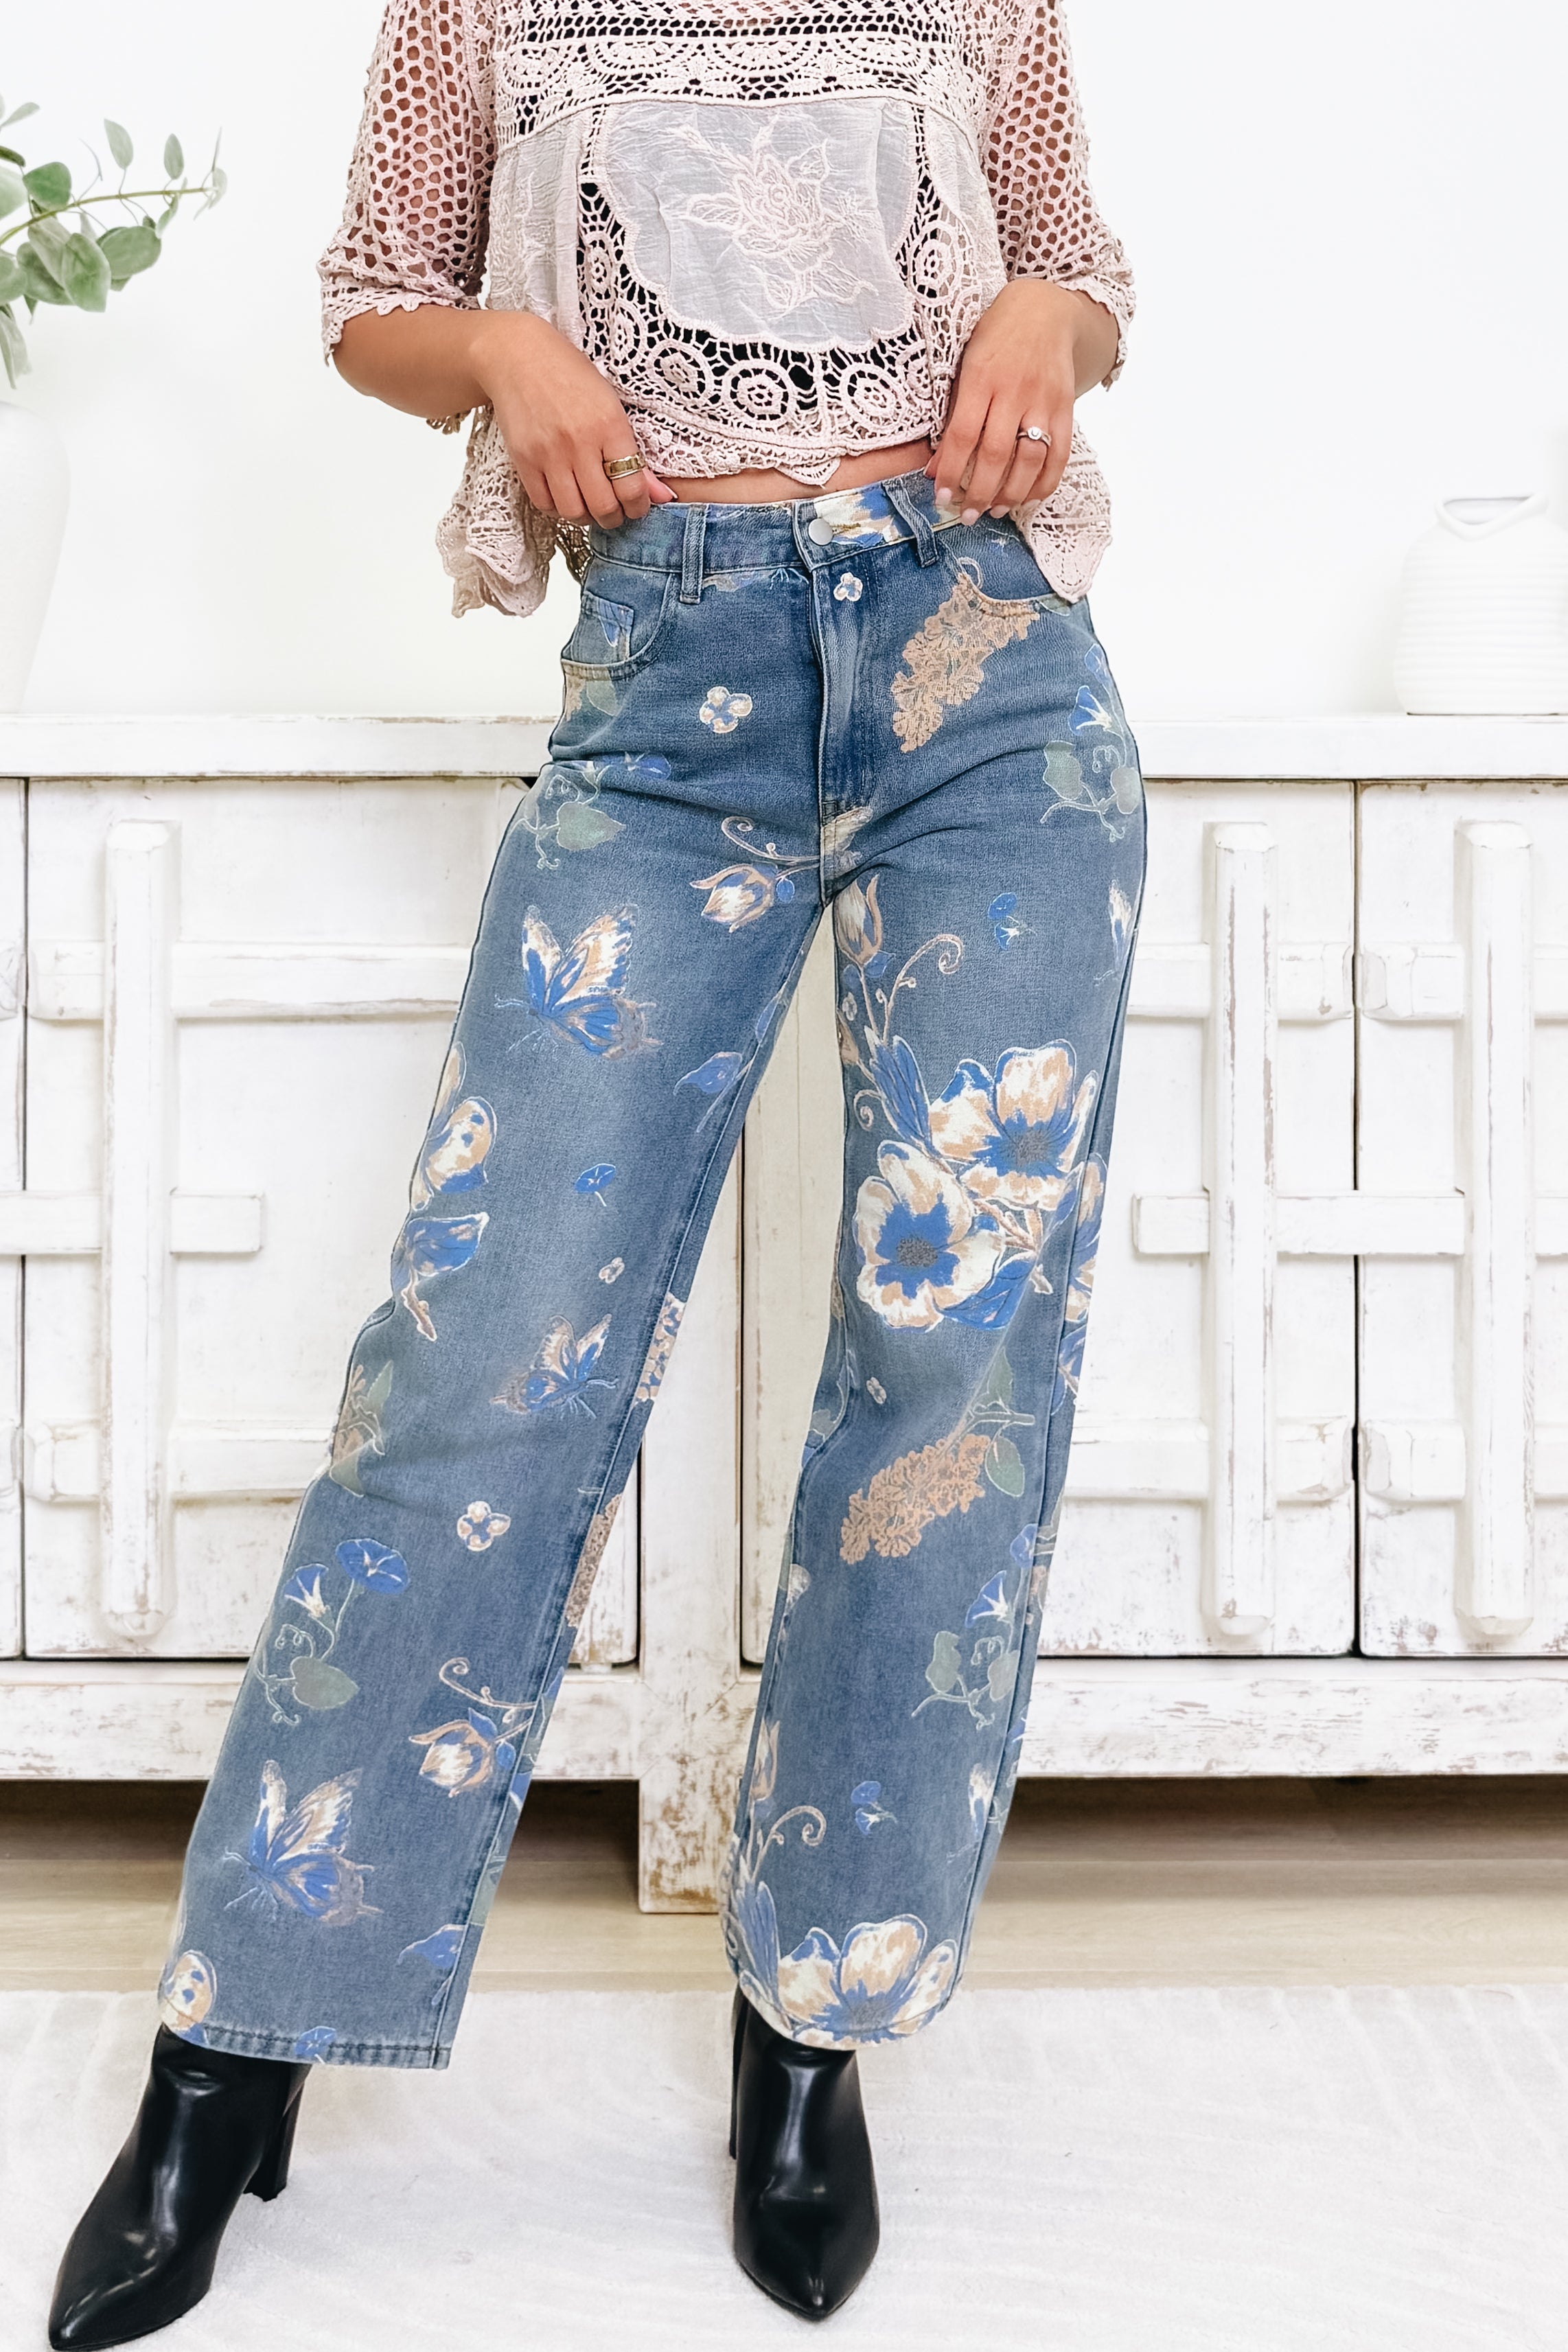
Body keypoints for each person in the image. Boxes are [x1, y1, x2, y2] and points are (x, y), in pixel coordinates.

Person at [48, 0, 1139, 2337]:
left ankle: (806, 2027)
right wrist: (499, 353)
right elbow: (371, 294)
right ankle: (234, 2047)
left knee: (950, 1371)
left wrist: (1046, 322)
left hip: (991, 676)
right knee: (480, 1364)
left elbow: (1078, 267)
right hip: (668, 691)